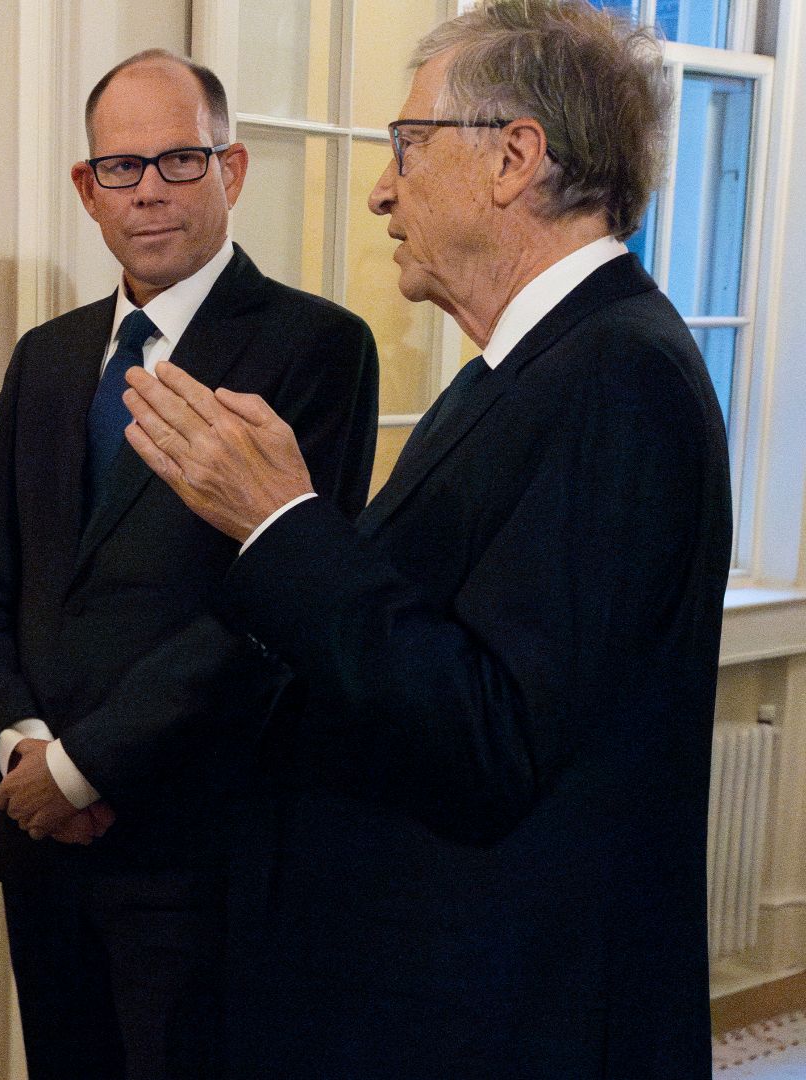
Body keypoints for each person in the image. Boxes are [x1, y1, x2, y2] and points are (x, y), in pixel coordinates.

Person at [122, 2, 729, 1076]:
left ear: (514, 158)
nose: (382, 186)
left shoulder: (617, 378)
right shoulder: (526, 368)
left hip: (507, 1019)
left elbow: (493, 738)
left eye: (408, 145)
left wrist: (281, 526)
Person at [0, 51, 378, 1078]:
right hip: (42, 840)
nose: (149, 190)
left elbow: (272, 614)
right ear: (86, 190)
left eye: (180, 161)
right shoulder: (49, 357)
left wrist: (88, 767)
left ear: (232, 172)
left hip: (198, 848)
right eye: (122, 167)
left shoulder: (316, 350)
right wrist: (26, 751)